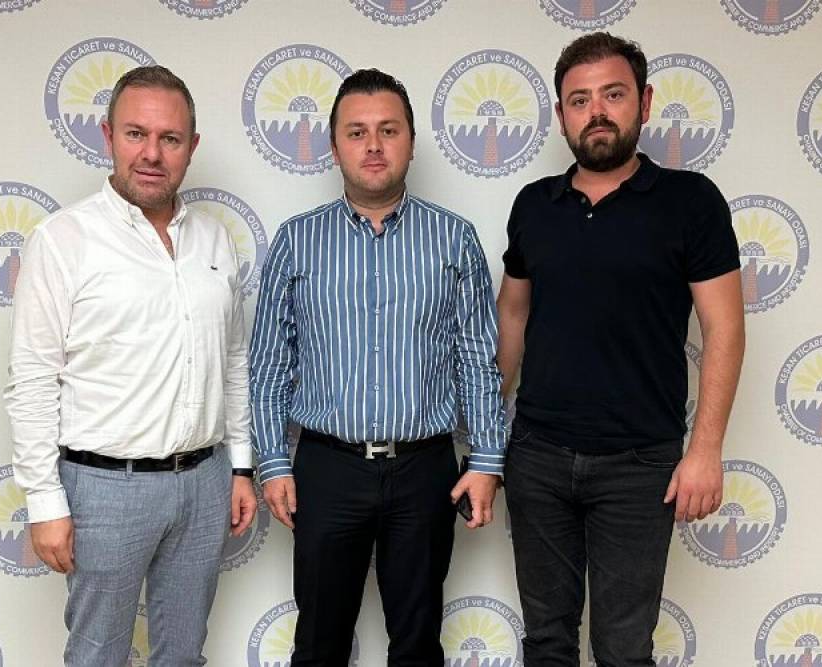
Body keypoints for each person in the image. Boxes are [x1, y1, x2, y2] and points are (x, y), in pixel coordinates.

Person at [497, 33, 745, 666]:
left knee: (623, 650)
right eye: (579, 100)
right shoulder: (534, 206)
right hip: (538, 456)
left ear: (645, 101)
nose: (597, 111)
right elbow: (513, 313)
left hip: (640, 466)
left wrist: (706, 451)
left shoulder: (691, 202)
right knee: (546, 642)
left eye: (613, 94)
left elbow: (724, 327)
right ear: (562, 116)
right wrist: (486, 429)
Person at [250, 68, 506, 666]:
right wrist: (272, 462)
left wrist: (488, 459)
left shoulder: (454, 239)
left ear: (411, 141)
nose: (373, 145)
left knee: (416, 646)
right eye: (357, 131)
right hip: (326, 469)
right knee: (319, 645)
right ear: (333, 145)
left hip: (424, 470)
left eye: (388, 130)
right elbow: (269, 365)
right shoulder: (296, 241)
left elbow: (477, 358)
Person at [6, 65, 257, 666]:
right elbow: (33, 378)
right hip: (103, 489)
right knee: (97, 655)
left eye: (170, 138)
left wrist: (241, 466)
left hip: (204, 481)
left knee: (183, 654)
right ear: (108, 136)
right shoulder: (63, 239)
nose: (151, 153)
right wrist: (44, 502)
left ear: (191, 147)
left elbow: (231, 361)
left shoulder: (214, 240)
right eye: (136, 134)